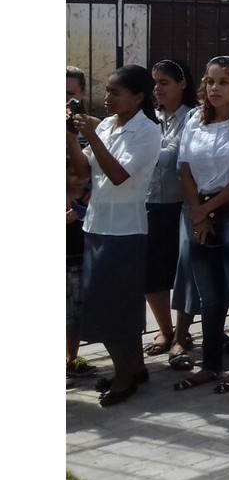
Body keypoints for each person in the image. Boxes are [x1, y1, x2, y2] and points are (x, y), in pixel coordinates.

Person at [66, 65, 162, 407]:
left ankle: (125, 376)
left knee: (114, 306)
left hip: (124, 230)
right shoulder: (107, 125)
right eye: (106, 91)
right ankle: (133, 368)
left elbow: (119, 174)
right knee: (112, 303)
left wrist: (91, 135)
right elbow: (84, 168)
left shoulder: (148, 132)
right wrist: (70, 135)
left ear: (138, 98)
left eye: (115, 93)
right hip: (97, 224)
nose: (106, 99)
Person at [173, 56, 229, 395]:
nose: (214, 88)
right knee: (209, 296)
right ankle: (210, 365)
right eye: (210, 81)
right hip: (198, 210)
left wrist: (209, 209)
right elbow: (184, 168)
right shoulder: (195, 119)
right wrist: (197, 211)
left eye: (223, 82)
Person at [145, 59, 200, 372]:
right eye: (155, 83)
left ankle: (182, 334)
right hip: (151, 202)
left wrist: (138, 149)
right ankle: (165, 331)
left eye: (164, 82)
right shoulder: (150, 117)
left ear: (182, 83)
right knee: (153, 272)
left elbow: (171, 158)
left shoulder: (192, 116)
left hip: (181, 204)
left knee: (183, 272)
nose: (158, 89)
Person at [66, 66, 98, 381]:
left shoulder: (91, 130)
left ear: (82, 95)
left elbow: (89, 177)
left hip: (77, 233)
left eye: (70, 95)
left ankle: (71, 360)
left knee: (73, 304)